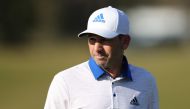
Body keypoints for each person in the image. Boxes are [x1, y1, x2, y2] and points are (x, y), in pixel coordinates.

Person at [44, 6, 159, 109]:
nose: (97, 48)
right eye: (92, 40)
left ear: (125, 42)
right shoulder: (64, 81)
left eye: (104, 40)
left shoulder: (146, 81)